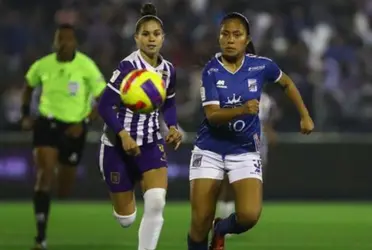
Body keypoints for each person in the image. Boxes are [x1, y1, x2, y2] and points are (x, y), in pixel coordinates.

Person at [187, 12, 314, 250]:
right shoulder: (211, 71)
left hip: (244, 149)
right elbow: (213, 116)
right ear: (219, 37)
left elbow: (286, 82)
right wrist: (243, 109)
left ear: (246, 39)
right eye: (225, 34)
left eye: (237, 35)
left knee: (249, 215)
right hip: (209, 149)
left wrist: (305, 115)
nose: (230, 39)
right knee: (199, 221)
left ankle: (222, 228)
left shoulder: (261, 66)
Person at [97, 3, 182, 250]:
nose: (151, 39)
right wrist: (123, 135)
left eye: (156, 34)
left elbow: (170, 103)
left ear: (163, 38)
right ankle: (123, 197)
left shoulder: (168, 70)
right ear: (136, 38)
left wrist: (173, 126)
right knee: (127, 219)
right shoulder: (127, 68)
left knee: (156, 201)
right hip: (117, 145)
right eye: (146, 34)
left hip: (150, 142)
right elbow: (104, 106)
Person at [21, 24, 106, 250]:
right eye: (60, 39)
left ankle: (56, 181)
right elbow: (28, 85)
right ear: (54, 42)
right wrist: (25, 115)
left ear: (75, 43)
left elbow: (103, 98)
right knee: (44, 174)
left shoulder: (86, 66)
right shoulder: (42, 65)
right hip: (47, 123)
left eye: (68, 39)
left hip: (75, 128)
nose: (63, 44)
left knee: (64, 189)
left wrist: (85, 122)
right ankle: (41, 238)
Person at [217, 92, 278, 222]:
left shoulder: (266, 99)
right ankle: (224, 218)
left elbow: (267, 121)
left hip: (259, 146)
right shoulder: (234, 95)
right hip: (237, 144)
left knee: (254, 186)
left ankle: (240, 217)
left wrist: (270, 132)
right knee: (229, 184)